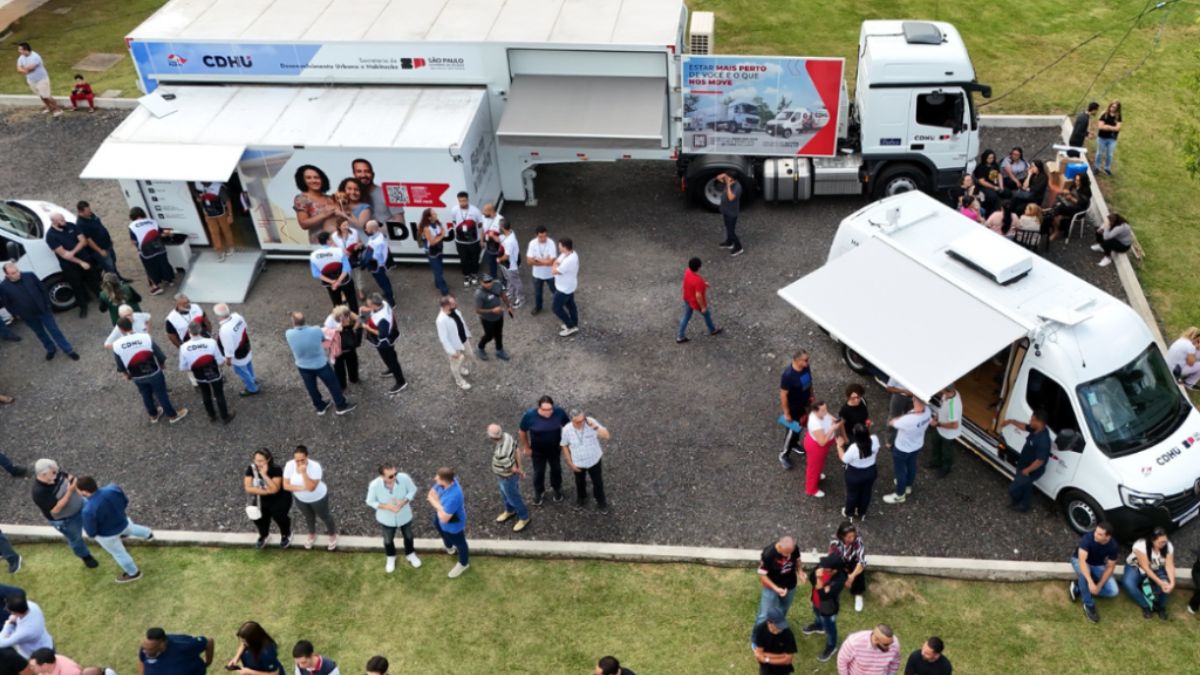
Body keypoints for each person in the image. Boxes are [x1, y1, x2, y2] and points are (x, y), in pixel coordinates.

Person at [112, 316, 188, 424]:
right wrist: (161, 364)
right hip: (153, 372)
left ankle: (153, 415)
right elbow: (159, 354)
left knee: (145, 394)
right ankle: (172, 415)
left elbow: (120, 365)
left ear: (120, 329)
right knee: (161, 394)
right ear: (131, 325)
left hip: (136, 375)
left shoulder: (116, 345)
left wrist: (126, 374)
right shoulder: (145, 337)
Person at [77, 476, 153, 583]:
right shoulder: (113, 488)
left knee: (119, 553)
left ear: (84, 492)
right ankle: (148, 534)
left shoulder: (88, 510)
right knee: (132, 528)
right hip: (122, 522)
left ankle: (134, 573)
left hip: (107, 535)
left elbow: (91, 532)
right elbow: (125, 501)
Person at [0, 263, 78, 361]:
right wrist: (17, 314)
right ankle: (50, 349)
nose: (18, 273)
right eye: (13, 273)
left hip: (43, 310)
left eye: (17, 270)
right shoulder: (3, 287)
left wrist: (47, 304)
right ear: (7, 275)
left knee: (54, 330)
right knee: (40, 333)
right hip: (28, 316)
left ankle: (68, 350)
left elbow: (43, 289)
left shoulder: (29, 275)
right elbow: (8, 304)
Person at [285, 312, 355, 416]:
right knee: (333, 384)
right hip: (320, 364)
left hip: (303, 366)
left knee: (311, 387)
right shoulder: (316, 330)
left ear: (293, 322)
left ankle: (320, 407)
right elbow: (323, 339)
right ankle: (341, 405)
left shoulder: (288, 333)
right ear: (305, 320)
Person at [30, 459, 97, 568]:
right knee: (76, 539)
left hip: (81, 505)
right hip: (67, 520)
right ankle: (86, 557)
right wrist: (70, 491)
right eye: (54, 472)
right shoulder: (39, 492)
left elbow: (70, 478)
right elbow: (55, 509)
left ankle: (116, 531)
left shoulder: (55, 473)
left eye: (57, 470)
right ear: (43, 474)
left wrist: (74, 483)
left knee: (98, 515)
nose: (57, 474)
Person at [365, 463, 421, 573]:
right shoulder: (374, 485)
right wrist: (387, 507)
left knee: (409, 536)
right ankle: (391, 557)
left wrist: (404, 501)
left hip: (404, 515)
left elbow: (412, 490)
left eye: (395, 473)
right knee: (388, 540)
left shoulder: (404, 478)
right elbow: (370, 501)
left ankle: (410, 554)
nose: (394, 477)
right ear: (382, 476)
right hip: (386, 519)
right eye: (390, 476)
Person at [518, 395, 571, 505]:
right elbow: (522, 431)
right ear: (538, 408)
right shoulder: (530, 415)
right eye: (544, 410)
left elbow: (568, 427)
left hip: (555, 449)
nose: (548, 412)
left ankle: (556, 488)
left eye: (550, 409)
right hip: (537, 451)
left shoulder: (559, 412)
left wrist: (566, 443)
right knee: (538, 472)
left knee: (556, 470)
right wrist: (526, 447)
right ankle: (539, 491)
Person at [178, 322, 235, 424]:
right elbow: (220, 362)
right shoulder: (211, 342)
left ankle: (211, 415)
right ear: (200, 330)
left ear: (189, 332)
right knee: (219, 394)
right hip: (215, 374)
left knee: (205, 394)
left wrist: (195, 367)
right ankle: (225, 416)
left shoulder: (183, 347)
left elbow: (183, 367)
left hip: (199, 376)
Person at [45, 213, 100, 318]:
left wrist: (73, 251)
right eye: (61, 220)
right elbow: (64, 255)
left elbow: (83, 241)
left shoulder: (71, 226)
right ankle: (83, 306)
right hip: (69, 265)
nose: (64, 221)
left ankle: (102, 299)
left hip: (84, 258)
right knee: (76, 286)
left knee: (93, 281)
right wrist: (81, 262)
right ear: (54, 222)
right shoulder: (51, 236)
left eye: (63, 219)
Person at [283, 446, 337, 551]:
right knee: (308, 517)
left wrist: (303, 472)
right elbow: (286, 485)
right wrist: (303, 488)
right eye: (297, 460)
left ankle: (332, 535)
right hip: (301, 499)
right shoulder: (289, 465)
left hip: (318, 498)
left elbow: (312, 488)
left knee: (325, 516)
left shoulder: (315, 467)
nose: (299, 463)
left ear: (307, 457)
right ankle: (312, 534)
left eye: (302, 460)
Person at [751, 536, 800, 649]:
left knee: (782, 611)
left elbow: (797, 559)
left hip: (789, 586)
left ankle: (776, 630)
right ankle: (756, 639)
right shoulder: (769, 554)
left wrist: (800, 571)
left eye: (790, 552)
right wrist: (775, 588)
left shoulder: (793, 548)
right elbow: (762, 575)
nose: (788, 556)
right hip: (771, 587)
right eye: (786, 553)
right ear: (779, 546)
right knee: (764, 615)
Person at [1068, 522, 1122, 624]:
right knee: (1084, 575)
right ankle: (1088, 604)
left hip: (1098, 564)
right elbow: (1082, 561)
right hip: (1079, 561)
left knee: (1113, 591)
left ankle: (1078, 587)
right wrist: (1090, 582)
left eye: (1100, 534)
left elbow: (1110, 567)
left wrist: (1099, 585)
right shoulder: (1087, 539)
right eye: (1096, 532)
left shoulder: (1113, 546)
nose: (1095, 535)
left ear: (1108, 536)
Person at [561, 408, 611, 513]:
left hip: (594, 460)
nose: (581, 423)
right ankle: (581, 498)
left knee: (598, 482)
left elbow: (606, 436)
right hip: (578, 462)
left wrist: (595, 427)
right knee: (579, 482)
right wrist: (569, 463)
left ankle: (601, 501)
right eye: (578, 421)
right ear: (571, 420)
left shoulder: (591, 422)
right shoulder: (566, 429)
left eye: (582, 420)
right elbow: (564, 445)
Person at [883, 398, 931, 505]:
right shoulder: (928, 411)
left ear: (914, 400)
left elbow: (892, 422)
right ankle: (908, 486)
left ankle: (900, 495)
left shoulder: (908, 420)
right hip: (917, 445)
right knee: (911, 465)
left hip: (902, 448)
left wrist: (900, 417)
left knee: (900, 471)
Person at [1001, 410, 1051, 512]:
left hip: (1032, 469)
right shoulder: (1036, 430)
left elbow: (1040, 461)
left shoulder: (1043, 440)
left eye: (1032, 420)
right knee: (1026, 486)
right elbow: (1023, 426)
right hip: (1024, 464)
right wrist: (1011, 421)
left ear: (1039, 422)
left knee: (1013, 489)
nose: (1030, 421)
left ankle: (1018, 503)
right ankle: (1023, 505)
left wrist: (1027, 471)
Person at [1122, 527, 1176, 620]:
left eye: (1165, 541)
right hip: (1137, 565)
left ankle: (1160, 607)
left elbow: (1169, 565)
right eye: (1160, 542)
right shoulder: (1140, 545)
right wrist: (1159, 582)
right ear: (1152, 540)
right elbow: (1145, 567)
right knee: (1128, 583)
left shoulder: (1168, 546)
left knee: (1166, 585)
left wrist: (1172, 582)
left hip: (1156, 566)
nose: (1164, 544)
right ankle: (1145, 606)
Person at [243, 448, 291, 550]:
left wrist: (264, 475)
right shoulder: (251, 469)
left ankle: (285, 534)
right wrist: (266, 491)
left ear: (268, 459)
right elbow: (248, 487)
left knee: (279, 517)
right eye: (256, 460)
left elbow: (275, 489)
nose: (258, 463)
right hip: (261, 497)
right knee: (258, 518)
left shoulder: (275, 469)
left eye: (261, 461)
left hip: (279, 497)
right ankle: (264, 535)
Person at [802, 553, 846, 663]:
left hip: (828, 609)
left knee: (830, 629)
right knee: (817, 614)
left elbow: (824, 595)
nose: (821, 568)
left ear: (834, 570)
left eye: (825, 568)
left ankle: (832, 646)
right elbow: (812, 578)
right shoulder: (823, 566)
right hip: (816, 601)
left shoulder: (839, 580)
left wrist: (818, 578)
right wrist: (819, 583)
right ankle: (819, 626)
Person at [427, 467, 469, 578]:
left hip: (454, 524)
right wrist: (440, 508)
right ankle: (449, 548)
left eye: (437, 477)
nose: (435, 478)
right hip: (443, 517)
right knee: (441, 530)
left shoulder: (454, 496)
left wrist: (436, 504)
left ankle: (464, 564)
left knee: (460, 543)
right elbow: (430, 494)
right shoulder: (444, 483)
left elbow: (444, 519)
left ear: (444, 480)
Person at [361, 293, 407, 396]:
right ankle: (391, 369)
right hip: (392, 335)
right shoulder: (384, 303)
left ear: (374, 305)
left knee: (390, 359)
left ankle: (401, 381)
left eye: (369, 305)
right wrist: (369, 310)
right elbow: (375, 310)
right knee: (391, 356)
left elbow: (382, 334)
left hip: (384, 342)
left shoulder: (382, 320)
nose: (368, 306)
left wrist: (367, 327)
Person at [488, 423, 530, 532]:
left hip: (506, 478)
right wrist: (520, 468)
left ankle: (524, 517)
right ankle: (509, 510)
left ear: (491, 437)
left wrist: (519, 471)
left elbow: (511, 468)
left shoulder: (501, 453)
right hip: (506, 477)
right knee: (505, 495)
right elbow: (516, 450)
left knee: (514, 498)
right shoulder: (507, 436)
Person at [778, 351, 813, 470]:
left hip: (803, 405)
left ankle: (794, 444)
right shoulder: (788, 375)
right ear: (797, 361)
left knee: (801, 426)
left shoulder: (805, 368)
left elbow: (809, 382)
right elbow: (783, 395)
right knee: (791, 432)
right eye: (805, 360)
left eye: (807, 360)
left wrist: (811, 395)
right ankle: (784, 455)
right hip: (793, 409)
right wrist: (787, 413)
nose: (807, 363)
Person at [127, 207, 175, 295]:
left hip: (146, 250)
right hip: (159, 247)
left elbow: (134, 241)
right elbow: (162, 233)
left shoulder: (132, 226)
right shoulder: (152, 221)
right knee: (164, 263)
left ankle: (156, 286)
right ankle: (169, 280)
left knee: (150, 268)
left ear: (132, 216)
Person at [214, 303, 259, 397]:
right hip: (246, 347)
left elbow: (229, 349)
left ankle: (252, 388)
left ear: (218, 316)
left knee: (242, 372)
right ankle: (253, 379)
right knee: (248, 365)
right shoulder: (236, 316)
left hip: (238, 355)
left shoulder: (224, 330)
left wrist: (228, 361)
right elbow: (245, 327)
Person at [76, 201, 127, 281]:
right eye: (87, 211)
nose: (90, 212)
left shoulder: (92, 216)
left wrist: (109, 239)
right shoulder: (81, 224)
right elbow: (89, 240)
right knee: (109, 267)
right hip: (100, 249)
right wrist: (100, 251)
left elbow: (100, 226)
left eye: (89, 209)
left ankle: (119, 279)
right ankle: (117, 284)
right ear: (81, 212)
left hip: (107, 244)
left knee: (113, 263)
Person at [838, 423, 879, 522]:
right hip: (870, 471)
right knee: (866, 492)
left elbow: (844, 459)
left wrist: (839, 446)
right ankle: (862, 512)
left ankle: (849, 512)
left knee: (852, 494)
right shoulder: (874, 439)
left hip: (854, 473)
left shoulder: (854, 448)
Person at [677, 257, 722, 343]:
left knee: (686, 317)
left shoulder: (687, 272)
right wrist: (703, 307)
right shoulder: (698, 281)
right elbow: (698, 296)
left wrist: (704, 284)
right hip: (695, 302)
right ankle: (712, 330)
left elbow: (691, 283)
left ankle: (680, 336)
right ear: (699, 267)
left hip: (687, 298)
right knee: (706, 314)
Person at [311, 231, 357, 313]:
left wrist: (332, 281)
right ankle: (356, 319)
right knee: (352, 300)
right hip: (345, 281)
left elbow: (316, 274)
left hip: (329, 283)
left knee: (337, 303)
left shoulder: (313, 255)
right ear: (328, 240)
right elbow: (347, 268)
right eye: (331, 239)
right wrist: (339, 281)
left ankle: (342, 321)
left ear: (319, 242)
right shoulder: (339, 251)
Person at [292, 165, 341, 244]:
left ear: (322, 179)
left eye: (317, 177)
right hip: (321, 245)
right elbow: (303, 224)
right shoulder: (302, 198)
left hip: (340, 242)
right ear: (303, 180)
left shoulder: (331, 198)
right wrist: (324, 215)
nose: (314, 180)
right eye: (308, 178)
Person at [803, 401, 841, 498]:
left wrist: (834, 420)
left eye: (826, 408)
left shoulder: (821, 413)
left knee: (818, 464)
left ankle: (817, 476)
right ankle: (811, 489)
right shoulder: (815, 423)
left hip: (821, 446)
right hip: (817, 447)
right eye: (823, 410)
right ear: (816, 411)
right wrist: (832, 429)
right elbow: (822, 442)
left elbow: (828, 416)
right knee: (813, 468)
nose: (826, 411)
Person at [435, 295, 474, 390]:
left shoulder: (454, 310)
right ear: (446, 306)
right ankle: (459, 380)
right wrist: (452, 352)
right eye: (453, 303)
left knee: (469, 355)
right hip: (454, 346)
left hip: (463, 340)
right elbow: (443, 339)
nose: (456, 304)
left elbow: (461, 323)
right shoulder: (441, 320)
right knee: (455, 364)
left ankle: (461, 368)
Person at [139, 628, 213, 675]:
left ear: (162, 645)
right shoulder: (146, 647)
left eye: (151, 649)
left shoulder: (184, 646)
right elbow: (142, 660)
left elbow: (209, 642)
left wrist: (208, 662)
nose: (145, 652)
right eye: (145, 648)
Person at [448, 191, 484, 287]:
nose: (462, 203)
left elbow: (480, 226)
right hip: (460, 242)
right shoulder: (454, 210)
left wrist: (481, 240)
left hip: (474, 241)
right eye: (460, 201)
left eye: (464, 201)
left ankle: (474, 274)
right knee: (464, 260)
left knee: (474, 259)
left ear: (468, 200)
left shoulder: (475, 211)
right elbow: (454, 222)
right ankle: (466, 275)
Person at [829, 522, 867, 612]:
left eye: (853, 536)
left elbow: (861, 562)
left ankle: (858, 593)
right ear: (842, 536)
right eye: (849, 537)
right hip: (841, 562)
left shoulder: (858, 541)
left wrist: (851, 576)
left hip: (853, 561)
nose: (852, 538)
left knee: (859, 571)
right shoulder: (835, 543)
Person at [15, 43, 61, 116]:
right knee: (41, 95)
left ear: (25, 49)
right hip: (31, 80)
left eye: (20, 49)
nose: (18, 51)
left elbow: (31, 68)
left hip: (41, 79)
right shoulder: (21, 58)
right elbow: (18, 68)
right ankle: (49, 107)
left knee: (46, 95)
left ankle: (57, 109)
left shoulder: (35, 57)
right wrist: (24, 70)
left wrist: (24, 69)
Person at [193, 182, 235, 260]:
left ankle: (231, 246)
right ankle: (219, 251)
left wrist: (230, 215)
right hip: (209, 214)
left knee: (226, 230)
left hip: (221, 213)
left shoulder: (218, 187)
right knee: (214, 233)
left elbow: (227, 201)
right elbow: (200, 201)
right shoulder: (198, 186)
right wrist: (205, 214)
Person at [323, 305, 361, 391]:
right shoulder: (330, 320)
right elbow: (325, 333)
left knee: (352, 362)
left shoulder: (347, 312)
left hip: (348, 342)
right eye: (345, 317)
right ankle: (342, 384)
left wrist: (354, 328)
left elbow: (360, 318)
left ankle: (353, 378)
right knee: (339, 367)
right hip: (337, 346)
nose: (347, 318)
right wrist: (336, 330)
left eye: (347, 316)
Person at [0, 594, 50, 659]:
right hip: (46, 642)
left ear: (15, 612)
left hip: (39, 656)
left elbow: (2, 643)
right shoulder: (32, 605)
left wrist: (9, 623)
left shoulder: (25, 631)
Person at [836, 625, 901, 675]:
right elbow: (842, 661)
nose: (890, 647)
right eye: (886, 644)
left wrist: (890, 673)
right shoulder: (854, 642)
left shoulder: (893, 643)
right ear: (876, 640)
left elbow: (895, 662)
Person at [927, 384, 961, 477]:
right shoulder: (950, 394)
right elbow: (941, 407)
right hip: (940, 427)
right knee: (935, 443)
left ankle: (946, 468)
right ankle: (936, 461)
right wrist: (936, 418)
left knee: (947, 451)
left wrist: (938, 424)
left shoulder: (952, 406)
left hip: (948, 433)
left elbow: (954, 425)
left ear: (946, 390)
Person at [474, 274, 511, 361]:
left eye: (490, 281)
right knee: (489, 335)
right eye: (486, 282)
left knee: (499, 333)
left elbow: (502, 294)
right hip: (487, 319)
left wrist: (508, 305)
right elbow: (478, 310)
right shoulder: (479, 294)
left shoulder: (497, 284)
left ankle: (499, 350)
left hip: (499, 316)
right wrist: (492, 310)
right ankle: (480, 347)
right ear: (481, 282)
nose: (489, 284)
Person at [330, 209, 366, 295]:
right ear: (339, 226)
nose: (346, 226)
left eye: (347, 224)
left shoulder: (354, 232)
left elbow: (360, 242)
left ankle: (360, 291)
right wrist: (343, 251)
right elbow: (333, 247)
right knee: (344, 276)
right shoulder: (334, 236)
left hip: (353, 257)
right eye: (344, 225)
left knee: (358, 276)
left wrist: (358, 246)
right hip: (342, 259)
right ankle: (344, 293)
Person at [1048, 173, 1092, 240]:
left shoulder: (1086, 191)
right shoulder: (1074, 184)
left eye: (1078, 180)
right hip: (1070, 203)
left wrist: (1071, 198)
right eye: (1076, 180)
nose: (1076, 182)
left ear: (1083, 181)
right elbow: (1070, 191)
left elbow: (1082, 204)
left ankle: (1056, 231)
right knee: (1056, 205)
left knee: (1058, 209)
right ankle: (1054, 226)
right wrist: (1067, 192)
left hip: (1078, 209)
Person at [752, 609, 796, 674]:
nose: (781, 628)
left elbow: (788, 660)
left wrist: (766, 659)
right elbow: (759, 655)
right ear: (769, 623)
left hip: (783, 669)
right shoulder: (760, 629)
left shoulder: (788, 633)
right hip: (766, 669)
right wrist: (782, 656)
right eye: (778, 625)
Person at [352, 158, 395, 224]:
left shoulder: (390, 192)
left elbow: (400, 221)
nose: (363, 175)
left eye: (367, 171)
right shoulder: (348, 195)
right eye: (359, 171)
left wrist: (375, 230)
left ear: (372, 174)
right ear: (354, 174)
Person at [551, 238, 580, 336]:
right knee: (571, 305)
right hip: (569, 286)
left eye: (560, 246)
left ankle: (570, 326)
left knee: (556, 308)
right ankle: (574, 324)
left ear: (565, 247)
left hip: (563, 289)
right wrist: (555, 265)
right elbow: (556, 262)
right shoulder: (569, 253)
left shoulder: (569, 260)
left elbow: (554, 270)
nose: (558, 248)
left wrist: (554, 266)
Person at [417, 208, 450, 295]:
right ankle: (444, 290)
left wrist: (438, 237)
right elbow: (432, 242)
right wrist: (441, 236)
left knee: (439, 268)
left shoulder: (437, 223)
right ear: (429, 217)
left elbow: (442, 231)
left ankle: (437, 283)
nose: (436, 214)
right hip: (432, 251)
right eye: (434, 214)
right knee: (438, 270)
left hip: (439, 249)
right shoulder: (426, 228)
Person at [525, 226, 557, 315]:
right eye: (540, 237)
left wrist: (537, 260)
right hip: (537, 274)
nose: (543, 238)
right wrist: (546, 262)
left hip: (550, 274)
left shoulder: (551, 243)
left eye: (544, 236)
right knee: (538, 293)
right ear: (536, 235)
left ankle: (559, 305)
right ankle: (538, 307)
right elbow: (529, 262)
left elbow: (552, 262)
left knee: (555, 291)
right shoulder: (532, 243)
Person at [362, 220, 394, 306]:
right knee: (382, 281)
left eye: (367, 229)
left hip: (378, 266)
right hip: (377, 265)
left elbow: (374, 256)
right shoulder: (376, 236)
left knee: (384, 282)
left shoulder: (377, 242)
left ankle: (391, 302)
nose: (365, 230)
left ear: (372, 230)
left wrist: (364, 260)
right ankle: (387, 293)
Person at [497, 219, 524, 309]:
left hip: (510, 265)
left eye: (499, 226)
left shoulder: (510, 241)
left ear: (503, 228)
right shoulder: (510, 232)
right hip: (506, 264)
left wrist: (499, 259)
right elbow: (501, 238)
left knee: (516, 282)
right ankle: (510, 292)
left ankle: (520, 299)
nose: (498, 228)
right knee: (508, 278)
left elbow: (506, 256)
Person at [717, 172, 744, 256]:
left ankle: (739, 248)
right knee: (727, 227)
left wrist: (728, 184)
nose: (726, 179)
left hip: (732, 213)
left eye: (728, 177)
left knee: (731, 231)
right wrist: (724, 175)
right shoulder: (728, 180)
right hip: (725, 210)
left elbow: (730, 197)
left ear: (733, 179)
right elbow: (718, 177)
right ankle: (729, 242)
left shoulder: (737, 187)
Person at [1094, 100, 1121, 175]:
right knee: (1099, 153)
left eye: (1115, 107)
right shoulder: (1104, 114)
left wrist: (1107, 126)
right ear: (1110, 106)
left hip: (1112, 139)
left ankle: (1107, 168)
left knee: (1109, 154)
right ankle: (1097, 167)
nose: (1113, 108)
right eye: (1112, 106)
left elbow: (1118, 128)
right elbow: (1100, 127)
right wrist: (1112, 127)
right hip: (1102, 137)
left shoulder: (1118, 116)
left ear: (1117, 108)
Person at [971, 149, 1002, 213]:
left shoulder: (995, 165)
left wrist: (1001, 186)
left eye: (992, 158)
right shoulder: (981, 167)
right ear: (985, 158)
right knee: (993, 196)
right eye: (989, 158)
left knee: (1006, 192)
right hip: (984, 186)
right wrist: (994, 187)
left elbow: (999, 174)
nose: (991, 159)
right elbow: (982, 181)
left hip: (995, 184)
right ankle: (994, 212)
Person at [480, 203, 504, 279]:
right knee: (491, 264)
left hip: (499, 248)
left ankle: (504, 281)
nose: (483, 212)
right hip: (489, 247)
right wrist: (482, 240)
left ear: (491, 211)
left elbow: (503, 236)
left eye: (485, 211)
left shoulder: (500, 220)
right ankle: (494, 278)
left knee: (502, 265)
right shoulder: (483, 217)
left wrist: (493, 236)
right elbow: (483, 230)